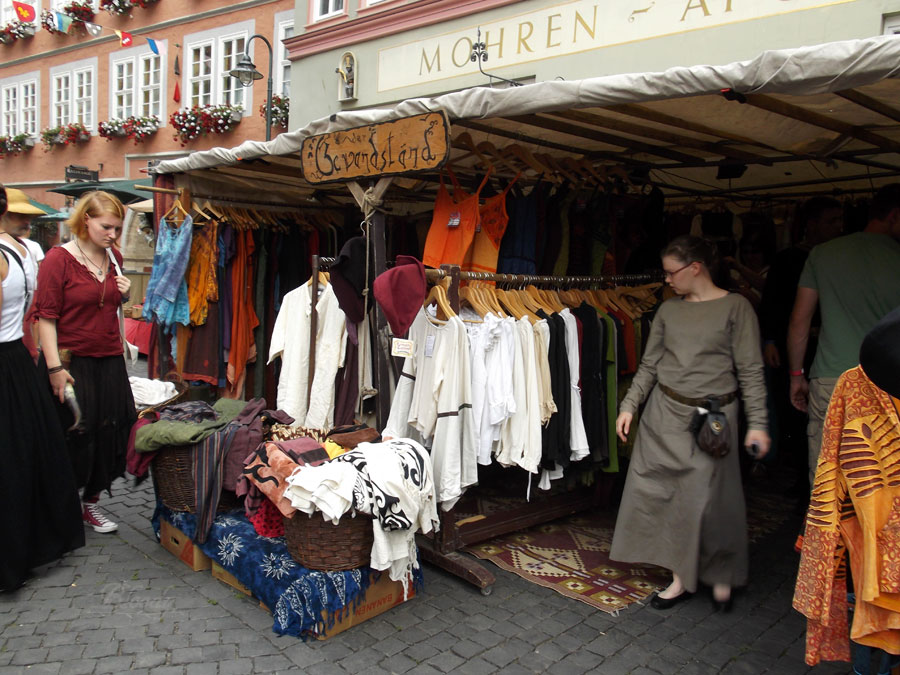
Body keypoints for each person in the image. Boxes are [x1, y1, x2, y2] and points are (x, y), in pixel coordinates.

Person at [610, 235, 770, 611]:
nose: (666, 280)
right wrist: (629, 405)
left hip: (712, 420)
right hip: (663, 414)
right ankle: (680, 577)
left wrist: (759, 423)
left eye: (670, 272)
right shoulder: (668, 311)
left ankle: (716, 571)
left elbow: (750, 369)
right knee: (659, 491)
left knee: (707, 498)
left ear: (695, 267)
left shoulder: (737, 308)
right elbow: (650, 364)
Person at [34, 191, 136, 534]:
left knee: (110, 432)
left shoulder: (115, 257)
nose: (112, 234)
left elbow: (111, 305)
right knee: (73, 432)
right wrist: (54, 369)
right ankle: (59, 506)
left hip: (108, 360)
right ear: (86, 220)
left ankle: (90, 504)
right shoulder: (58, 260)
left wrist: (127, 294)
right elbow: (44, 317)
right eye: (106, 226)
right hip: (71, 361)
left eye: (118, 229)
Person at [787, 183, 900, 488]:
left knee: (828, 480)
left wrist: (796, 375)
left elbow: (800, 320)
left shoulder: (824, 254)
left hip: (832, 379)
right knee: (883, 481)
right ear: (893, 216)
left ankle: (828, 537)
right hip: (888, 384)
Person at [0, 184, 84, 591]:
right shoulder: (17, 252)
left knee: (12, 458)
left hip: (7, 360)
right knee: (20, 455)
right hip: (14, 358)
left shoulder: (12, 253)